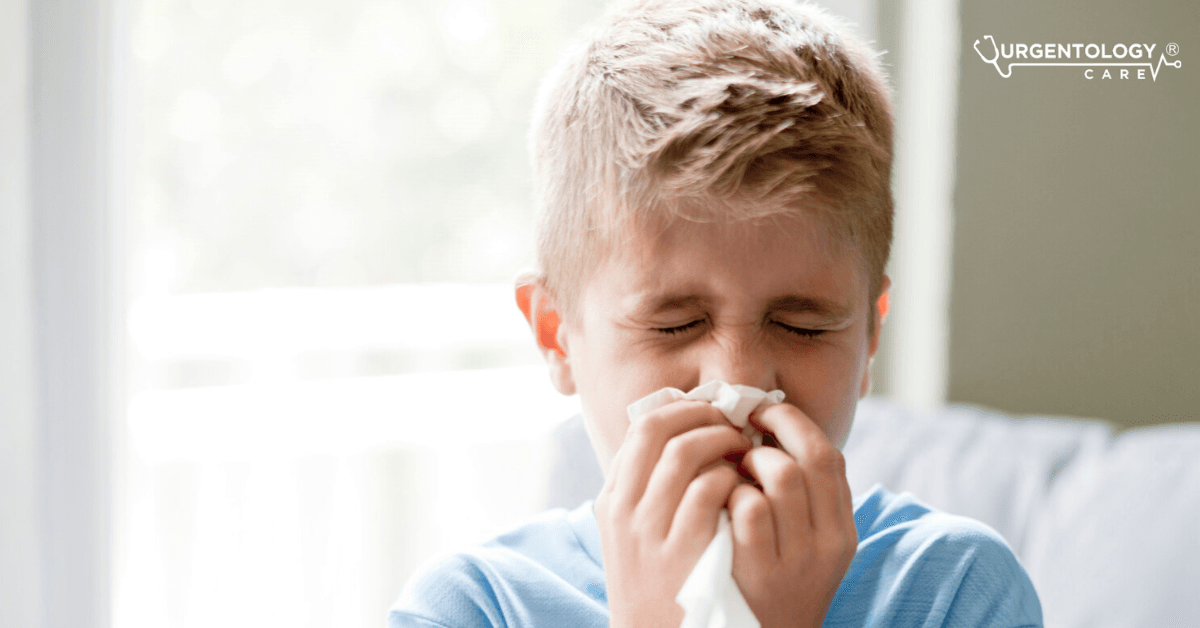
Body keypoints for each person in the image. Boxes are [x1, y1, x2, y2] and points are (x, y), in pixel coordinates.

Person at [389, 0, 1043, 625]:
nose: (739, 381)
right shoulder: (473, 607)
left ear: (870, 336)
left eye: (802, 325)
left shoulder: (955, 588)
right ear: (559, 337)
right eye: (675, 324)